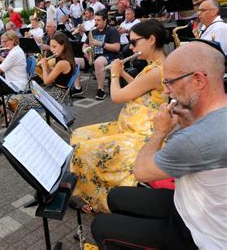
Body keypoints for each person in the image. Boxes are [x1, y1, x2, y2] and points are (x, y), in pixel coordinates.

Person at [91, 41, 227, 249]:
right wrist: (190, 124)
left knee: (100, 225)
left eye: (170, 82)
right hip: (193, 203)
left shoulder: (194, 140)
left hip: (200, 233)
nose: (165, 91)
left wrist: (160, 132)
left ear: (198, 80)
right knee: (117, 196)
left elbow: (141, 171)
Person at [70, 20, 169, 213]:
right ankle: (92, 190)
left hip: (142, 136)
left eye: (134, 42)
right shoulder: (154, 66)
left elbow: (116, 96)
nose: (131, 47)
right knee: (80, 135)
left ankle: (101, 202)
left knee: (85, 150)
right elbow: (140, 88)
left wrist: (114, 75)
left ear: (151, 40)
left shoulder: (157, 70)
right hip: (130, 127)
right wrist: (123, 74)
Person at [16, 31, 76, 116]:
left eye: (54, 46)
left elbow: (47, 81)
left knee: (22, 102)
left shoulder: (62, 63)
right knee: (24, 99)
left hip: (57, 97)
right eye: (51, 46)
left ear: (64, 46)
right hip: (57, 93)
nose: (51, 49)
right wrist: (47, 66)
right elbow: (55, 73)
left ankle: (32, 124)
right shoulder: (62, 59)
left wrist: (44, 67)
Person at [81, 11, 121, 100]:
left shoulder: (112, 31)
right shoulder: (93, 31)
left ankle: (101, 90)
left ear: (105, 20)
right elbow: (85, 45)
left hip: (108, 56)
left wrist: (101, 44)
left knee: (99, 62)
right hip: (92, 56)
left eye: (98, 20)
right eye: (95, 20)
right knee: (75, 61)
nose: (96, 22)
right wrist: (86, 52)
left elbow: (117, 47)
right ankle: (77, 88)